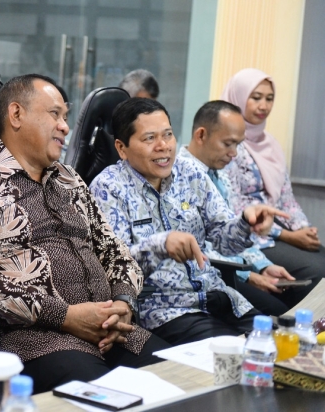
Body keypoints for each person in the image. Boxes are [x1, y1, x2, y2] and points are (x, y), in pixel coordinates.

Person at [0, 74, 171, 394]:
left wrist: (123, 303)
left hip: (109, 331)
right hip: (32, 339)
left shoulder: (69, 179)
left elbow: (114, 250)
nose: (65, 127)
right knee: (108, 398)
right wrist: (64, 316)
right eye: (55, 114)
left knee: (179, 381)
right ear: (16, 114)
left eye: (65, 117)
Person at [89, 98, 287, 345]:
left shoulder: (190, 174)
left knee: (279, 344)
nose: (163, 146)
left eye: (168, 135)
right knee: (236, 355)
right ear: (121, 148)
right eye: (150, 138)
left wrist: (247, 223)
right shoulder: (108, 188)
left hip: (219, 295)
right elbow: (113, 268)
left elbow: (226, 243)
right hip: (167, 309)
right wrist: (161, 245)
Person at [180, 100, 314, 315]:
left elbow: (233, 228)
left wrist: (263, 265)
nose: (234, 153)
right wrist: (248, 275)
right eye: (228, 143)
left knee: (296, 296)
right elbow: (198, 246)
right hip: (206, 274)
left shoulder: (220, 175)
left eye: (238, 144)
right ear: (201, 135)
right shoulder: (181, 178)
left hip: (232, 266)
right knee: (277, 312)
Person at [221, 68, 325, 285]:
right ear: (238, 98)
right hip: (252, 235)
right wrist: (288, 236)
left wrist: (304, 229)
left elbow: (286, 198)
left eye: (269, 99)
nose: (264, 106)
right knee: (317, 270)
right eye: (256, 97)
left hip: (279, 226)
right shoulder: (227, 145)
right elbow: (233, 206)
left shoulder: (271, 145)